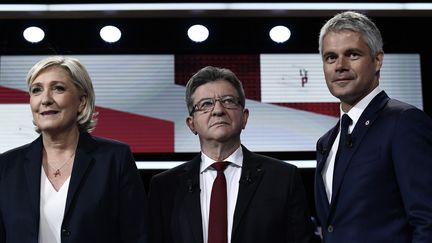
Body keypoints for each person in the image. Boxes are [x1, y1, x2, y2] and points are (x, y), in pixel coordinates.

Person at [148, 66, 317, 243]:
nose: (218, 110)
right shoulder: (165, 186)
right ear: (192, 124)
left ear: (244, 117)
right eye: (206, 104)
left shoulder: (283, 178)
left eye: (228, 101)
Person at [0, 56, 149, 243]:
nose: (45, 99)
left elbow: (137, 235)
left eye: (58, 88)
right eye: (36, 90)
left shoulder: (115, 159)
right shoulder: (6, 166)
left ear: (81, 101)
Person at [315, 11, 432, 242]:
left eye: (352, 54)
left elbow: (427, 220)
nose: (340, 65)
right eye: (330, 57)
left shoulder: (404, 122)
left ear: (377, 60)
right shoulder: (326, 142)